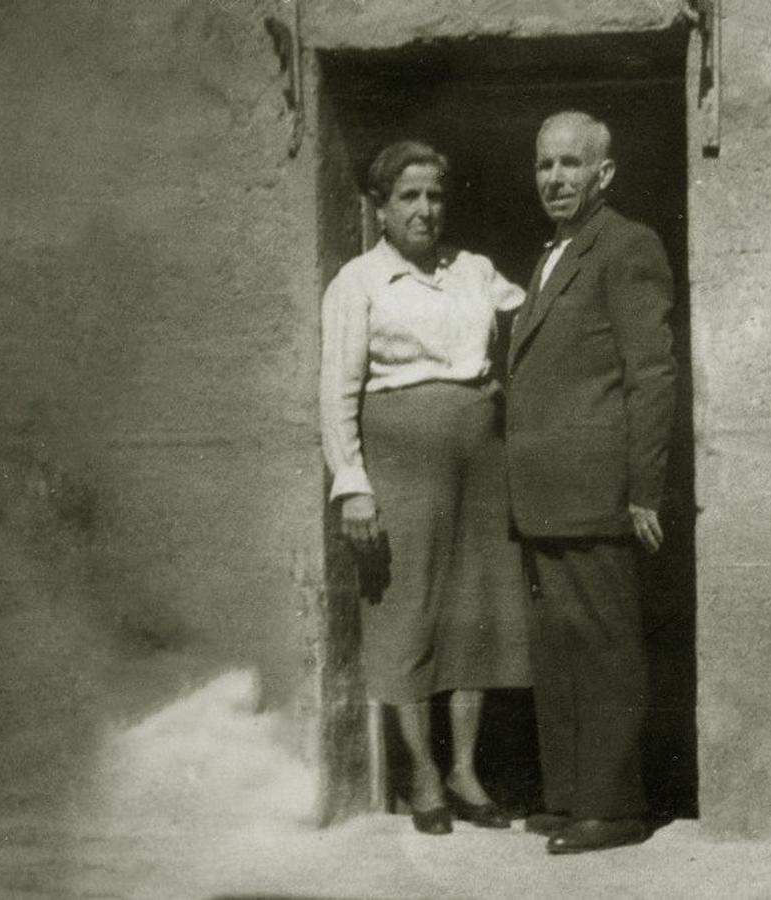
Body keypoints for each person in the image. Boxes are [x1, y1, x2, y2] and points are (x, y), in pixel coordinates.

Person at [319, 140, 530, 836]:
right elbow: (337, 390)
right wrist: (352, 484)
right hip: (399, 456)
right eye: (408, 197)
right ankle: (422, 774)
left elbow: (535, 317)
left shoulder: (471, 270)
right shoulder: (358, 282)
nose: (424, 210)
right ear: (380, 207)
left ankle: (466, 770)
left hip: (479, 456)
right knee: (406, 609)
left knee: (473, 612)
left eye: (435, 195)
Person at [505, 111, 677, 855]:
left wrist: (642, 487)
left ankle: (614, 808)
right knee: (560, 652)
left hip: (598, 494)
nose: (554, 180)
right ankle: (572, 797)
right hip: (545, 499)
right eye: (544, 165)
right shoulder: (554, 252)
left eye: (570, 165)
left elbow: (651, 373)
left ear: (603, 174)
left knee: (604, 652)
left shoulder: (627, 245)